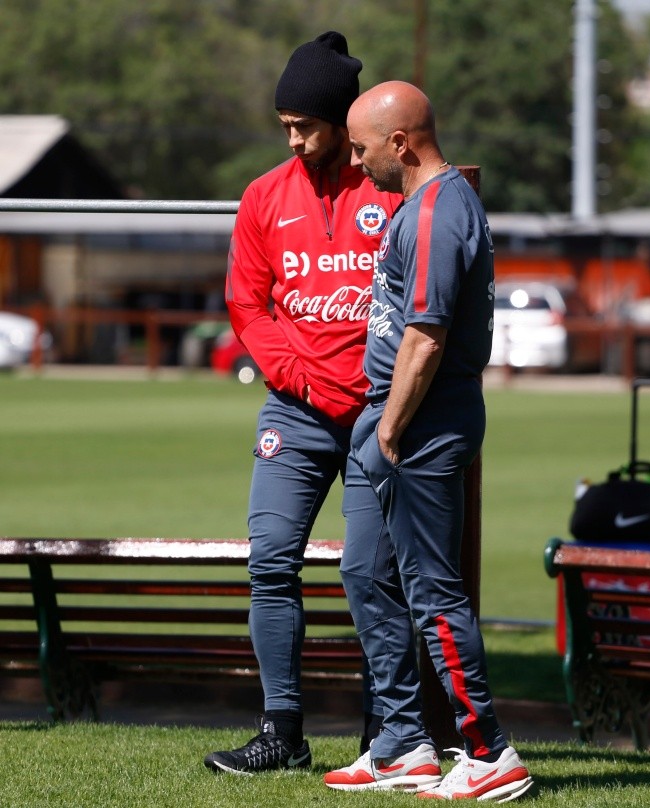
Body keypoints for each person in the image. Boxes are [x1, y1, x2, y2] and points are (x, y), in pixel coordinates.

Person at [323, 81, 534, 802]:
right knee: (365, 574)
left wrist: (389, 427)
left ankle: (489, 752)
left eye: (361, 149)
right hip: (390, 419)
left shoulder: (442, 210)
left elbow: (427, 334)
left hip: (419, 423)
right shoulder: (417, 207)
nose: (355, 163)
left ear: (400, 142)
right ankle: (401, 744)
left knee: (433, 591)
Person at [204, 33, 401, 776]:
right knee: (270, 561)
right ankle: (281, 732)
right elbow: (245, 303)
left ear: (342, 120)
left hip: (379, 415)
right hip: (295, 409)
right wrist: (294, 372)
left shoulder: (389, 190)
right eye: (284, 125)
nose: (292, 139)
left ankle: (386, 738)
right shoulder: (264, 196)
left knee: (373, 575)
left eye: (304, 125)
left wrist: (381, 387)